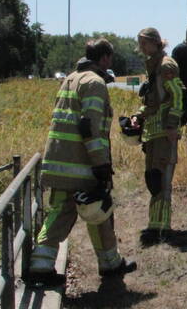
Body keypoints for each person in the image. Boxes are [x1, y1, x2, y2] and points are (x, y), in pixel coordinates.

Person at [28, 38, 136, 286]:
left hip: (60, 158)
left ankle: (108, 263)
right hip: (82, 164)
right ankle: (43, 267)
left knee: (86, 211)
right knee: (95, 209)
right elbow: (90, 126)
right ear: (105, 58)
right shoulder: (95, 83)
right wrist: (100, 164)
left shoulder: (70, 78)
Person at [132, 27, 184, 245]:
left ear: (155, 42)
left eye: (145, 43)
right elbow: (154, 101)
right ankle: (155, 224)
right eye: (140, 43)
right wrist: (138, 116)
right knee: (153, 179)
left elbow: (178, 96)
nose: (142, 47)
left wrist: (172, 125)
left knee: (161, 179)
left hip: (165, 132)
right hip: (152, 133)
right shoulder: (153, 66)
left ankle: (163, 227)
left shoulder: (166, 65)